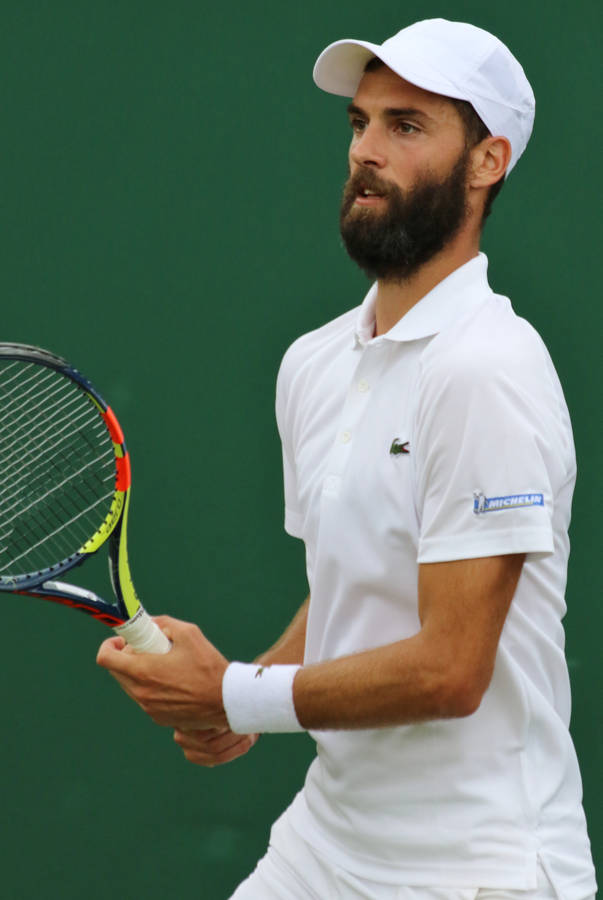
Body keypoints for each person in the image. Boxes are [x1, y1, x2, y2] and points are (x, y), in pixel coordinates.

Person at [96, 18, 597, 900]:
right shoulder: (314, 362)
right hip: (325, 846)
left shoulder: (487, 372)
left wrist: (236, 695)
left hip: (473, 869)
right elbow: (349, 589)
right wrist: (247, 692)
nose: (366, 150)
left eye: (406, 126)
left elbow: (450, 670)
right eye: (360, 123)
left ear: (486, 162)